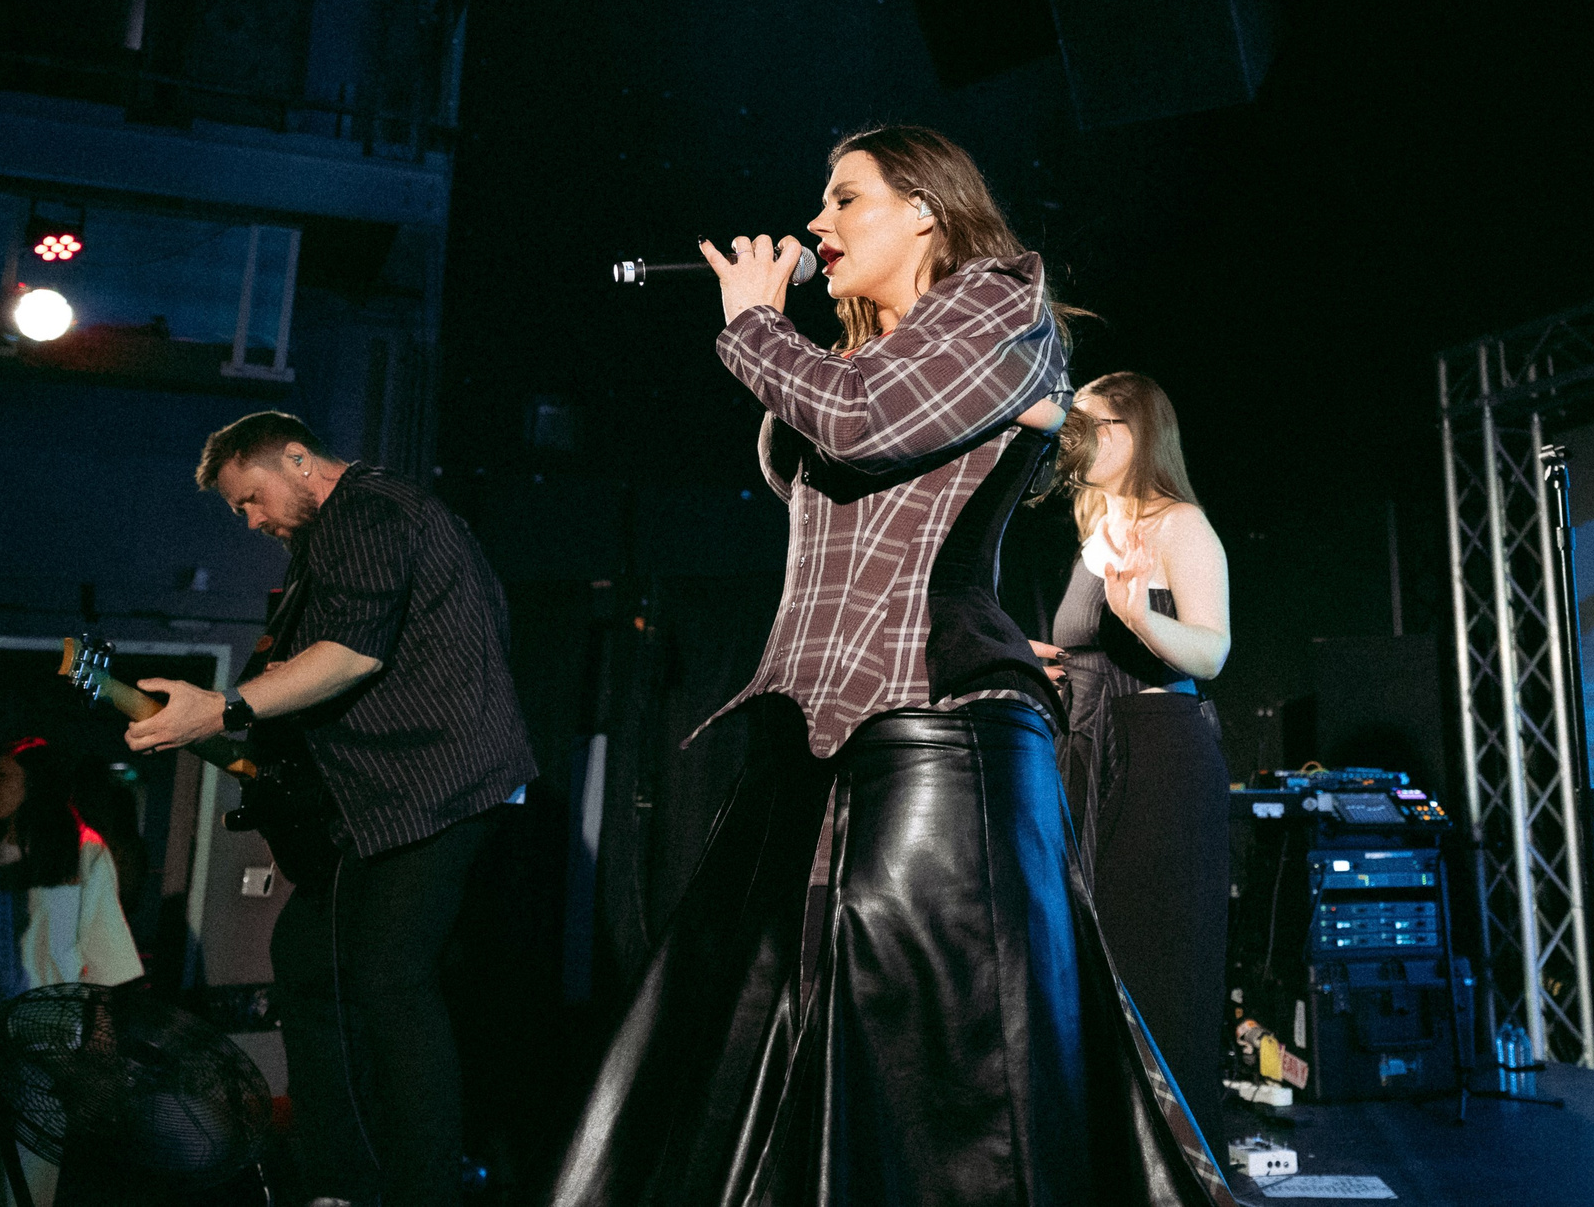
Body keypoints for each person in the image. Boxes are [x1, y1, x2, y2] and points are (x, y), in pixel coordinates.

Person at [551, 125, 1234, 1206]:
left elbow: (859, 427)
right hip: (817, 718)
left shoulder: (997, 303)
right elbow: (831, 444)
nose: (816, 223)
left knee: (944, 1060)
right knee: (749, 1028)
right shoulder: (884, 352)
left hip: (935, 716)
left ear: (924, 205)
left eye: (843, 200)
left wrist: (755, 327)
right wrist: (810, 351)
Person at [127, 412, 536, 1207]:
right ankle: (342, 1183)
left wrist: (220, 708)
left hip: (437, 783)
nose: (250, 520)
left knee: (389, 972)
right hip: (393, 799)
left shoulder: (366, 509)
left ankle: (420, 1190)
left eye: (251, 498)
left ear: (297, 457)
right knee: (310, 959)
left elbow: (352, 652)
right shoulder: (335, 538)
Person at [1031, 373, 1233, 1139]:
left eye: (1090, 423)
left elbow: (1210, 651)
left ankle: (1174, 1169)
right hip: (1086, 757)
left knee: (1154, 968)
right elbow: (1086, 650)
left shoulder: (1178, 524)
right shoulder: (1094, 531)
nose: (1073, 438)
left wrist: (1139, 615)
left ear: (1136, 430)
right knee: (1086, 969)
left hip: (1156, 762)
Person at [0, 736, 141, 1207]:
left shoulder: (84, 853)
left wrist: (99, 1032)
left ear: (36, 784)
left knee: (28, 1163)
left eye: (4, 777)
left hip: (45, 1032)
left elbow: (102, 948)